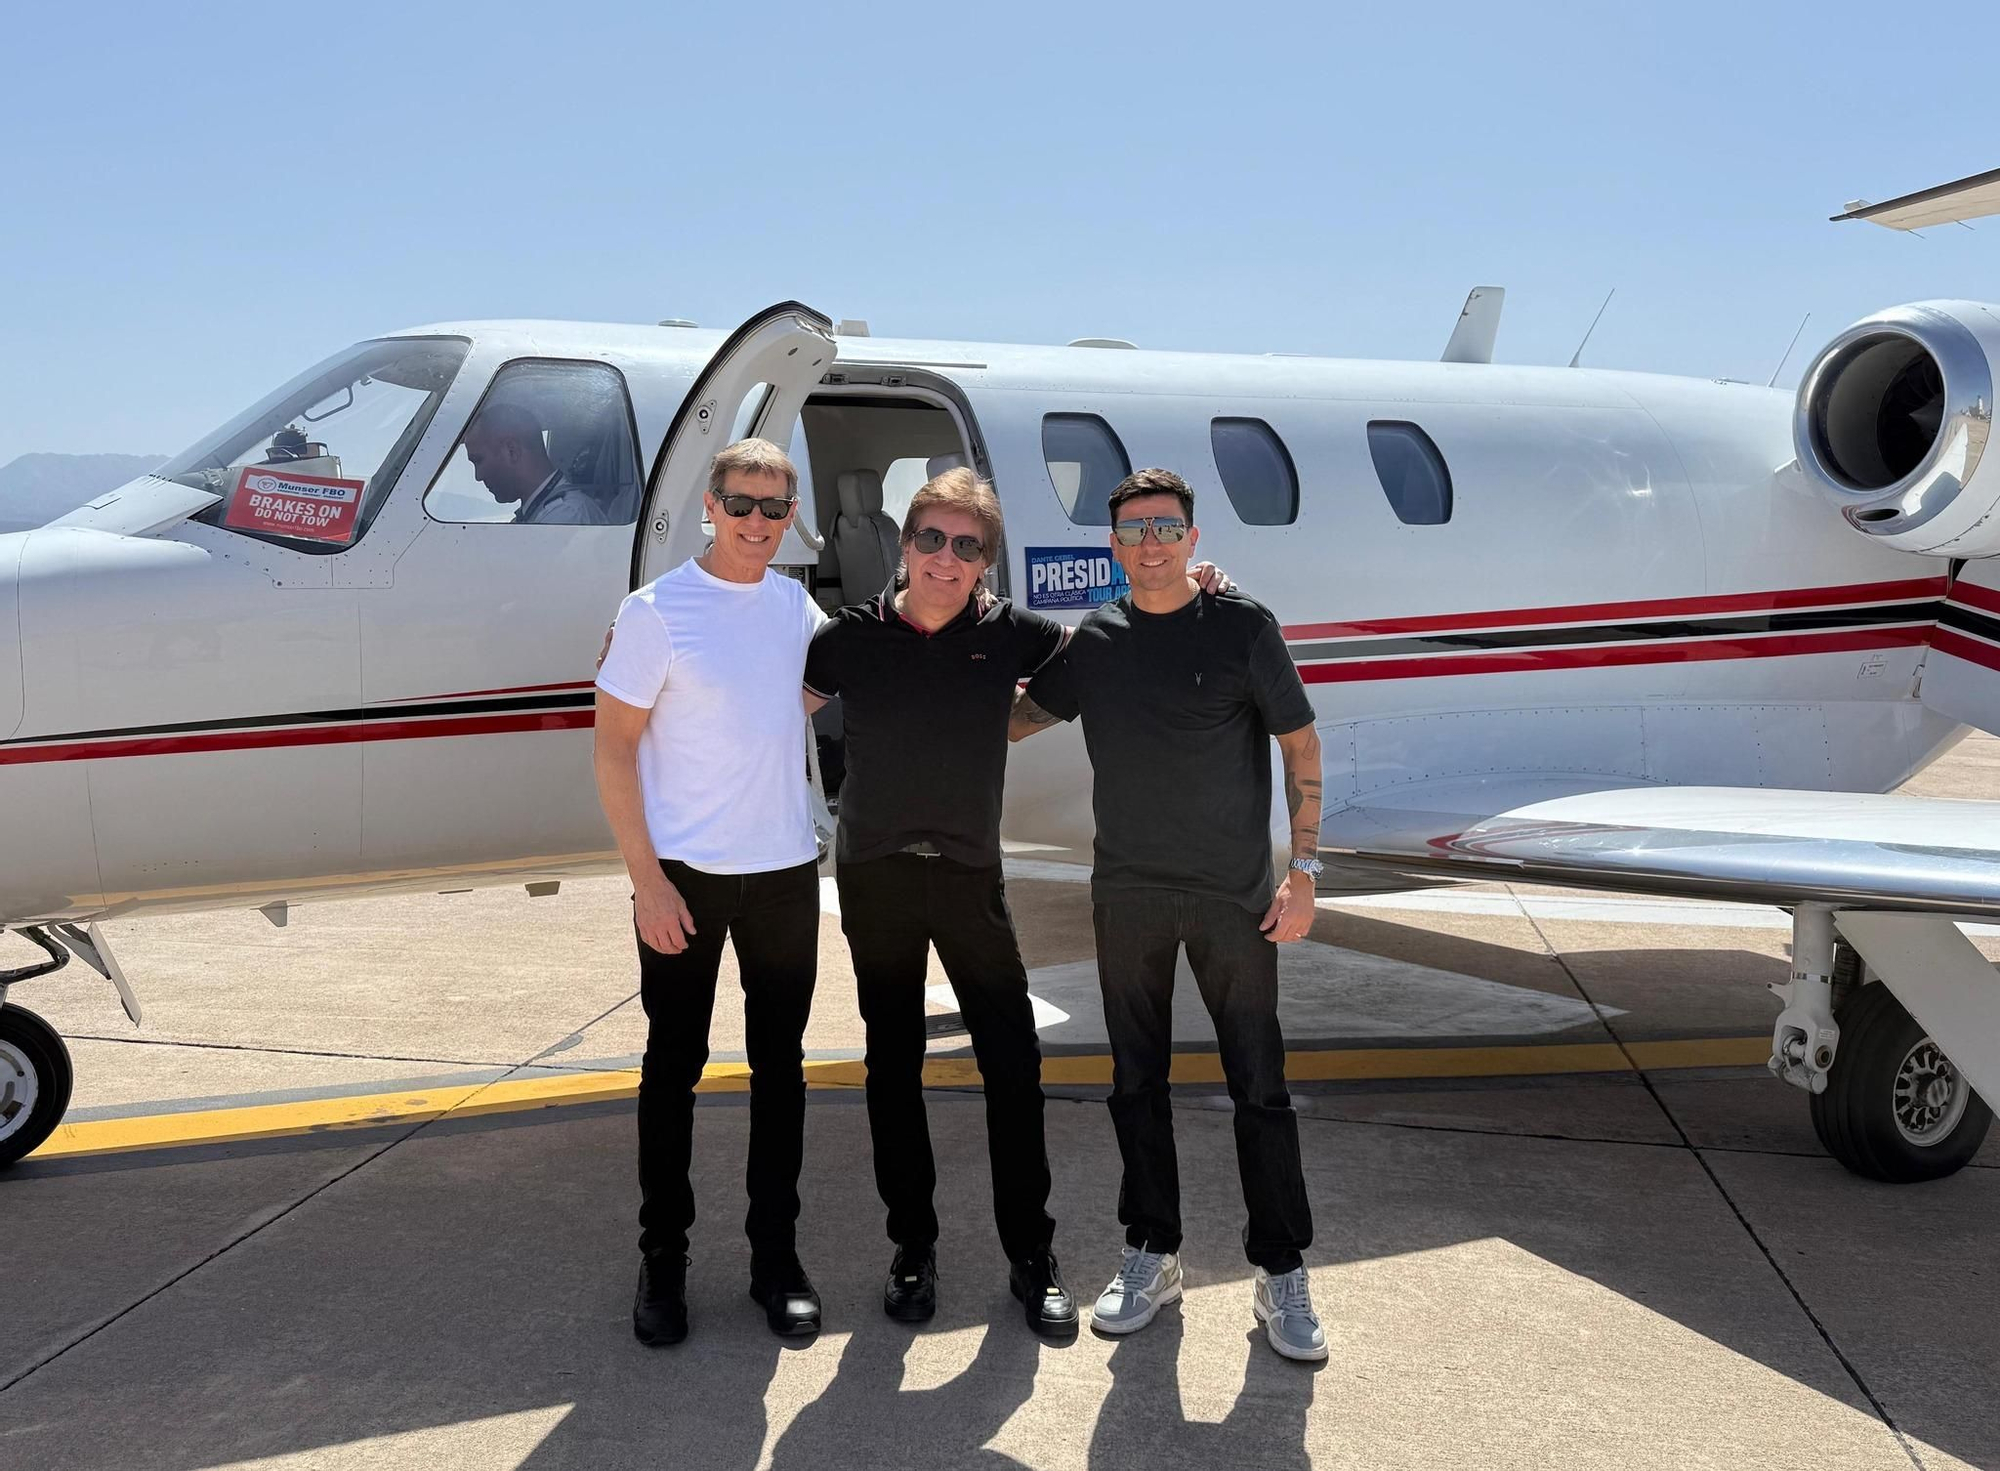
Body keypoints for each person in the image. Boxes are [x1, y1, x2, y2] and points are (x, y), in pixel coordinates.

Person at [802, 467, 1233, 1338]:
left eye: (967, 546)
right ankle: (912, 1248)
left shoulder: (1014, 634)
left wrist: (1197, 590)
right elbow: (766, 715)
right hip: (877, 878)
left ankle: (1031, 1255)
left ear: (986, 561)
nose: (946, 558)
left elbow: (1116, 644)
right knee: (892, 1065)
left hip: (969, 876)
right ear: (905, 545)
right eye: (932, 539)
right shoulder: (848, 637)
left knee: (1012, 1066)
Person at [1010, 467, 1329, 1363]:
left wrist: (1304, 871)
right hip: (1129, 896)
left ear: (1192, 537)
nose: (1150, 542)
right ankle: (1153, 1249)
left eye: (1165, 527)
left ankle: (1280, 1267)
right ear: (1113, 545)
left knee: (1259, 1084)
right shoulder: (1097, 641)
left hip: (1235, 899)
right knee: (1135, 1082)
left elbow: (1301, 744)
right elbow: (1016, 719)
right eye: (1133, 529)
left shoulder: (1243, 626)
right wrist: (936, 659)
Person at [594, 437, 826, 1346]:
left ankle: (777, 1259)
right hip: (684, 880)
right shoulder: (655, 612)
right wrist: (646, 882)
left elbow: (826, 680)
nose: (757, 522)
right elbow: (613, 751)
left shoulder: (796, 606)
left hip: (783, 874)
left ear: (790, 516)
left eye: (774, 508)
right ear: (710, 505)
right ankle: (664, 1260)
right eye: (741, 504)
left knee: (782, 1071)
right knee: (673, 1070)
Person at [463, 400, 611, 525]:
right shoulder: (544, 513)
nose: (478, 476)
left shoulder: (564, 517)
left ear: (511, 451)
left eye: (478, 461)